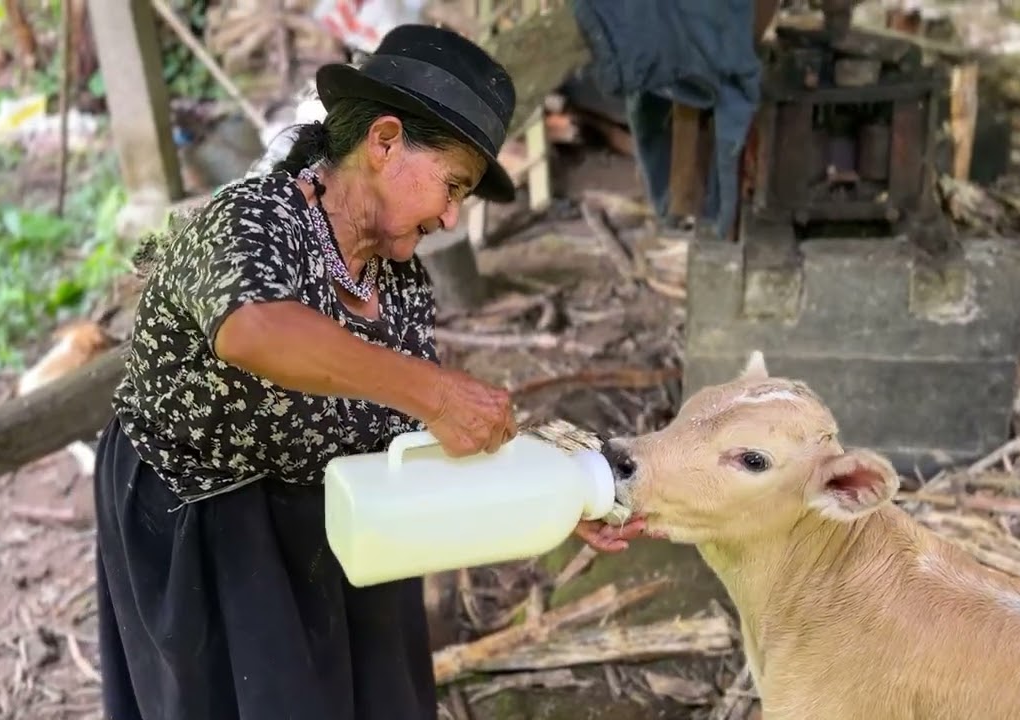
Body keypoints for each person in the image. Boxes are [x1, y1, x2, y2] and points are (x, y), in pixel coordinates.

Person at [93, 23, 648, 720]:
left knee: (382, 698)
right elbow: (252, 330)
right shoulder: (252, 219)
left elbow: (415, 438)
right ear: (384, 142)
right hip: (205, 518)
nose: (450, 216)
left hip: (343, 508)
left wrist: (564, 495)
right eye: (451, 185)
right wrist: (433, 389)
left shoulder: (402, 281)